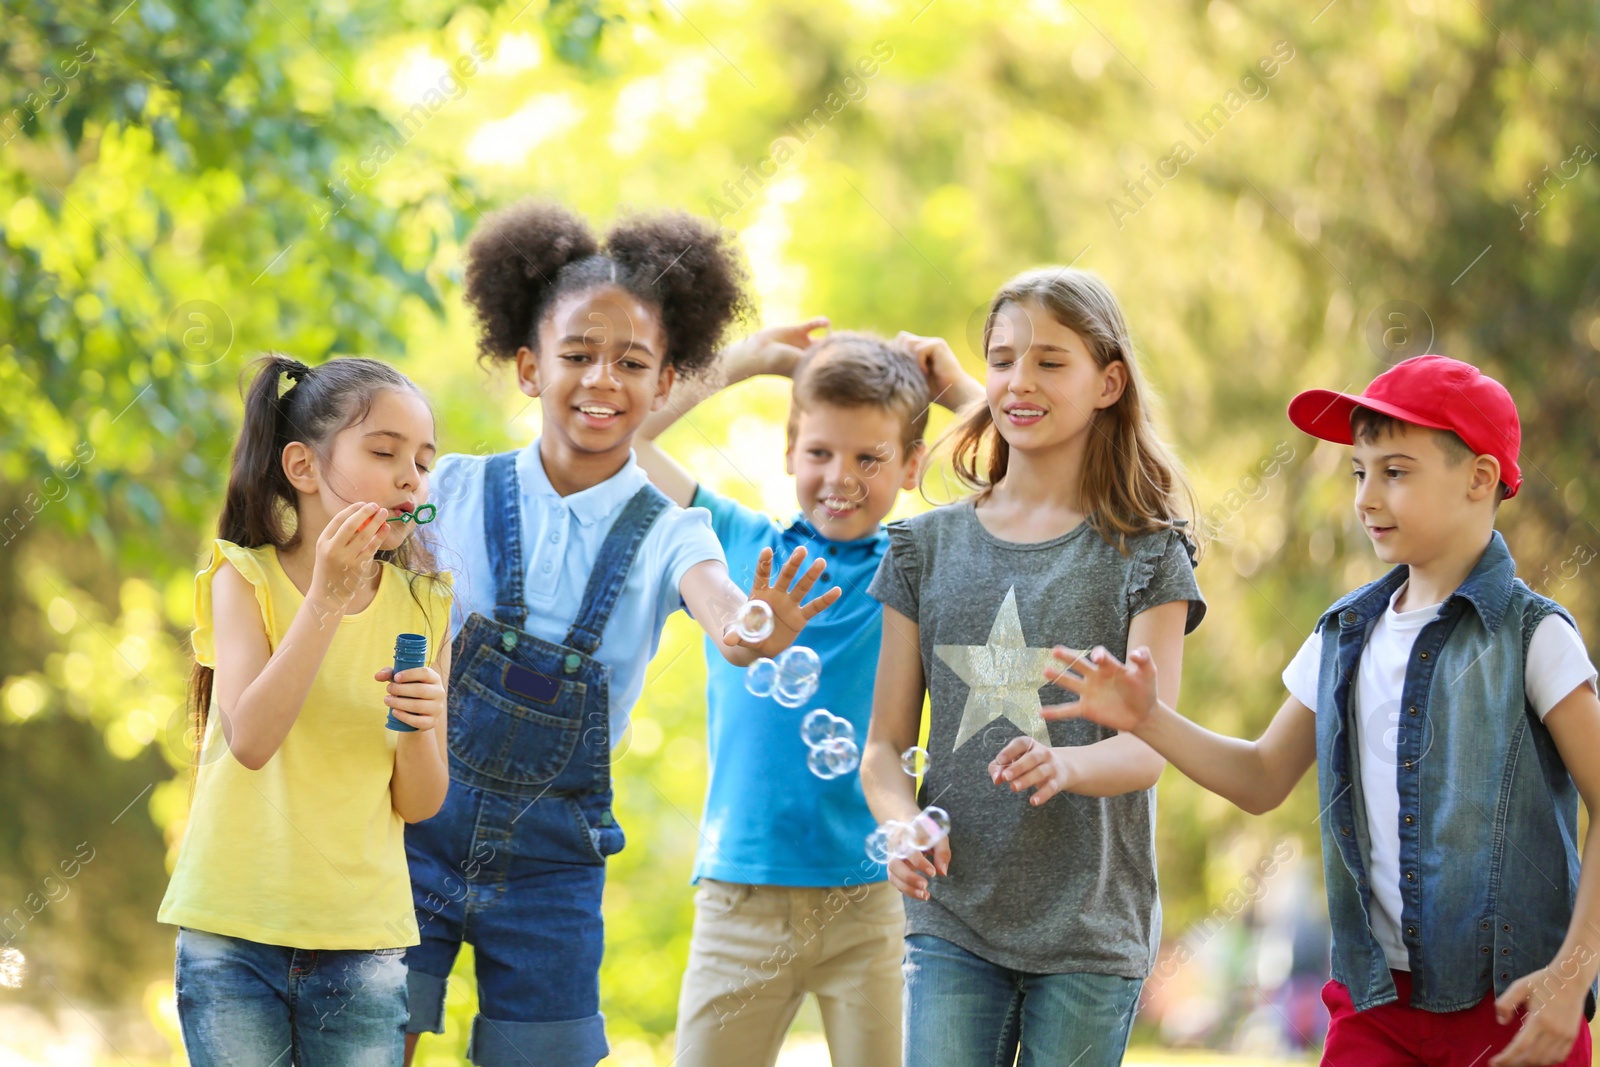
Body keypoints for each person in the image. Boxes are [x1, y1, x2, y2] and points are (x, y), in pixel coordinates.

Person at [1048, 354, 1600, 1067]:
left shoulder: (1535, 636)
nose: (1367, 497)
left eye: (1395, 472)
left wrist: (1573, 973)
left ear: (1480, 478)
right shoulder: (1343, 635)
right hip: (1374, 1008)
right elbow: (1261, 776)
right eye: (1359, 472)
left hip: (1511, 1009)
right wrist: (1148, 716)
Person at [403, 201, 840, 1067]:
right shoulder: (450, 487)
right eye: (577, 355)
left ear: (665, 383)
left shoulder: (674, 530)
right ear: (529, 367)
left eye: (631, 362)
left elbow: (729, 618)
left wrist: (761, 626)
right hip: (413, 826)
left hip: (553, 870)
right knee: (373, 1037)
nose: (603, 379)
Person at [861, 267, 1206, 1066]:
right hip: (954, 919)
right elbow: (882, 747)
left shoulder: (1149, 555)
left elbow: (1151, 747)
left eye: (1052, 361)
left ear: (1108, 381)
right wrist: (897, 820)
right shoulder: (924, 546)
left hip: (1090, 928)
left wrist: (1068, 761)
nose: (1020, 381)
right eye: (1003, 358)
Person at [634, 325, 983, 1066]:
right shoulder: (732, 538)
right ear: (789, 451)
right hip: (741, 893)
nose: (840, 477)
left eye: (869, 457)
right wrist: (747, 363)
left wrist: (955, 390)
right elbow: (624, 439)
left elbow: (1039, 476)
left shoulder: (917, 560)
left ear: (914, 463)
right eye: (819, 452)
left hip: (875, 900)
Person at [160, 354, 454, 1066]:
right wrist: (325, 597)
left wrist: (418, 725)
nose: (409, 477)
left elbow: (420, 802)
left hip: (363, 939)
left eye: (421, 461)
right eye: (384, 452)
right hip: (232, 929)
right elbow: (253, 737)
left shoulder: (426, 605)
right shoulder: (244, 576)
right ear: (302, 465)